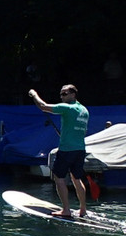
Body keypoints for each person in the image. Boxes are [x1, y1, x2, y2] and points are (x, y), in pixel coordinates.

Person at [28, 83, 90, 218]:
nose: (62, 96)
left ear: (73, 94)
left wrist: (34, 94)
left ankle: (66, 210)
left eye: (64, 94)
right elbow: (83, 131)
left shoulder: (67, 108)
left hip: (67, 150)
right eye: (61, 94)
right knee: (76, 178)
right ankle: (83, 209)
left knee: (59, 177)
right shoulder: (84, 110)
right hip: (80, 149)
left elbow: (43, 106)